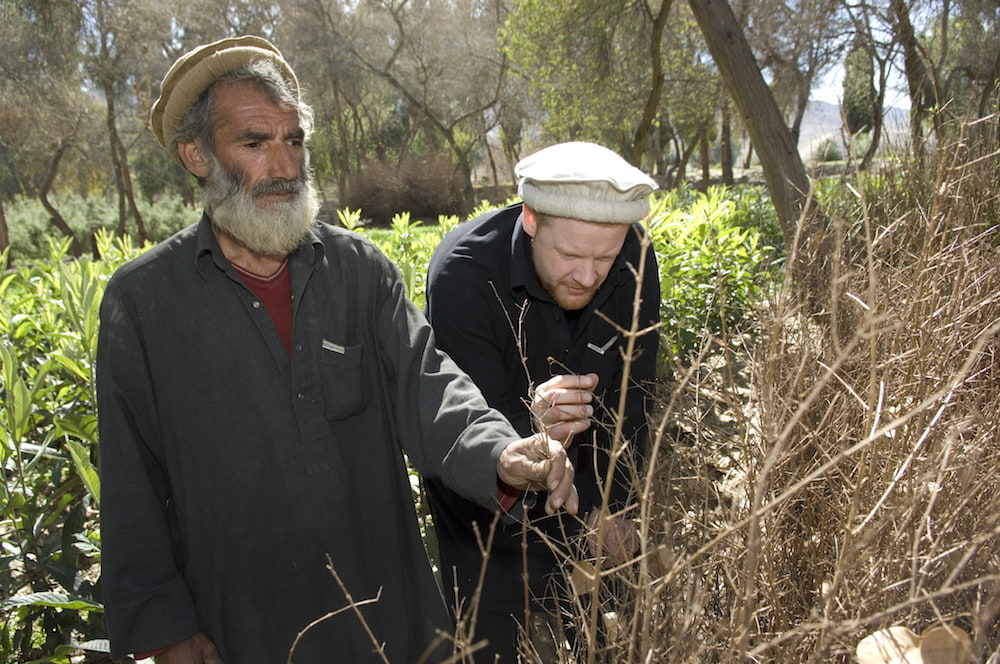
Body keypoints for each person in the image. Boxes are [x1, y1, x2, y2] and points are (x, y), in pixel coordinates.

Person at [96, 35, 578, 664]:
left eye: (293, 140)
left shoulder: (359, 271)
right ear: (196, 155)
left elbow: (428, 384)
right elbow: (131, 482)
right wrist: (168, 632)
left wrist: (503, 452)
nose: (285, 165)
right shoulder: (143, 304)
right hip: (244, 627)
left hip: (387, 614)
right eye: (253, 142)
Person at [423, 141, 660, 662]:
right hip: (485, 523)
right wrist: (529, 425)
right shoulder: (462, 277)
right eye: (571, 255)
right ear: (530, 219)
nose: (589, 275)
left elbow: (633, 402)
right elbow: (466, 430)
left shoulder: (635, 256)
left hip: (595, 495)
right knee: (493, 645)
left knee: (612, 642)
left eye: (605, 257)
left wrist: (611, 508)